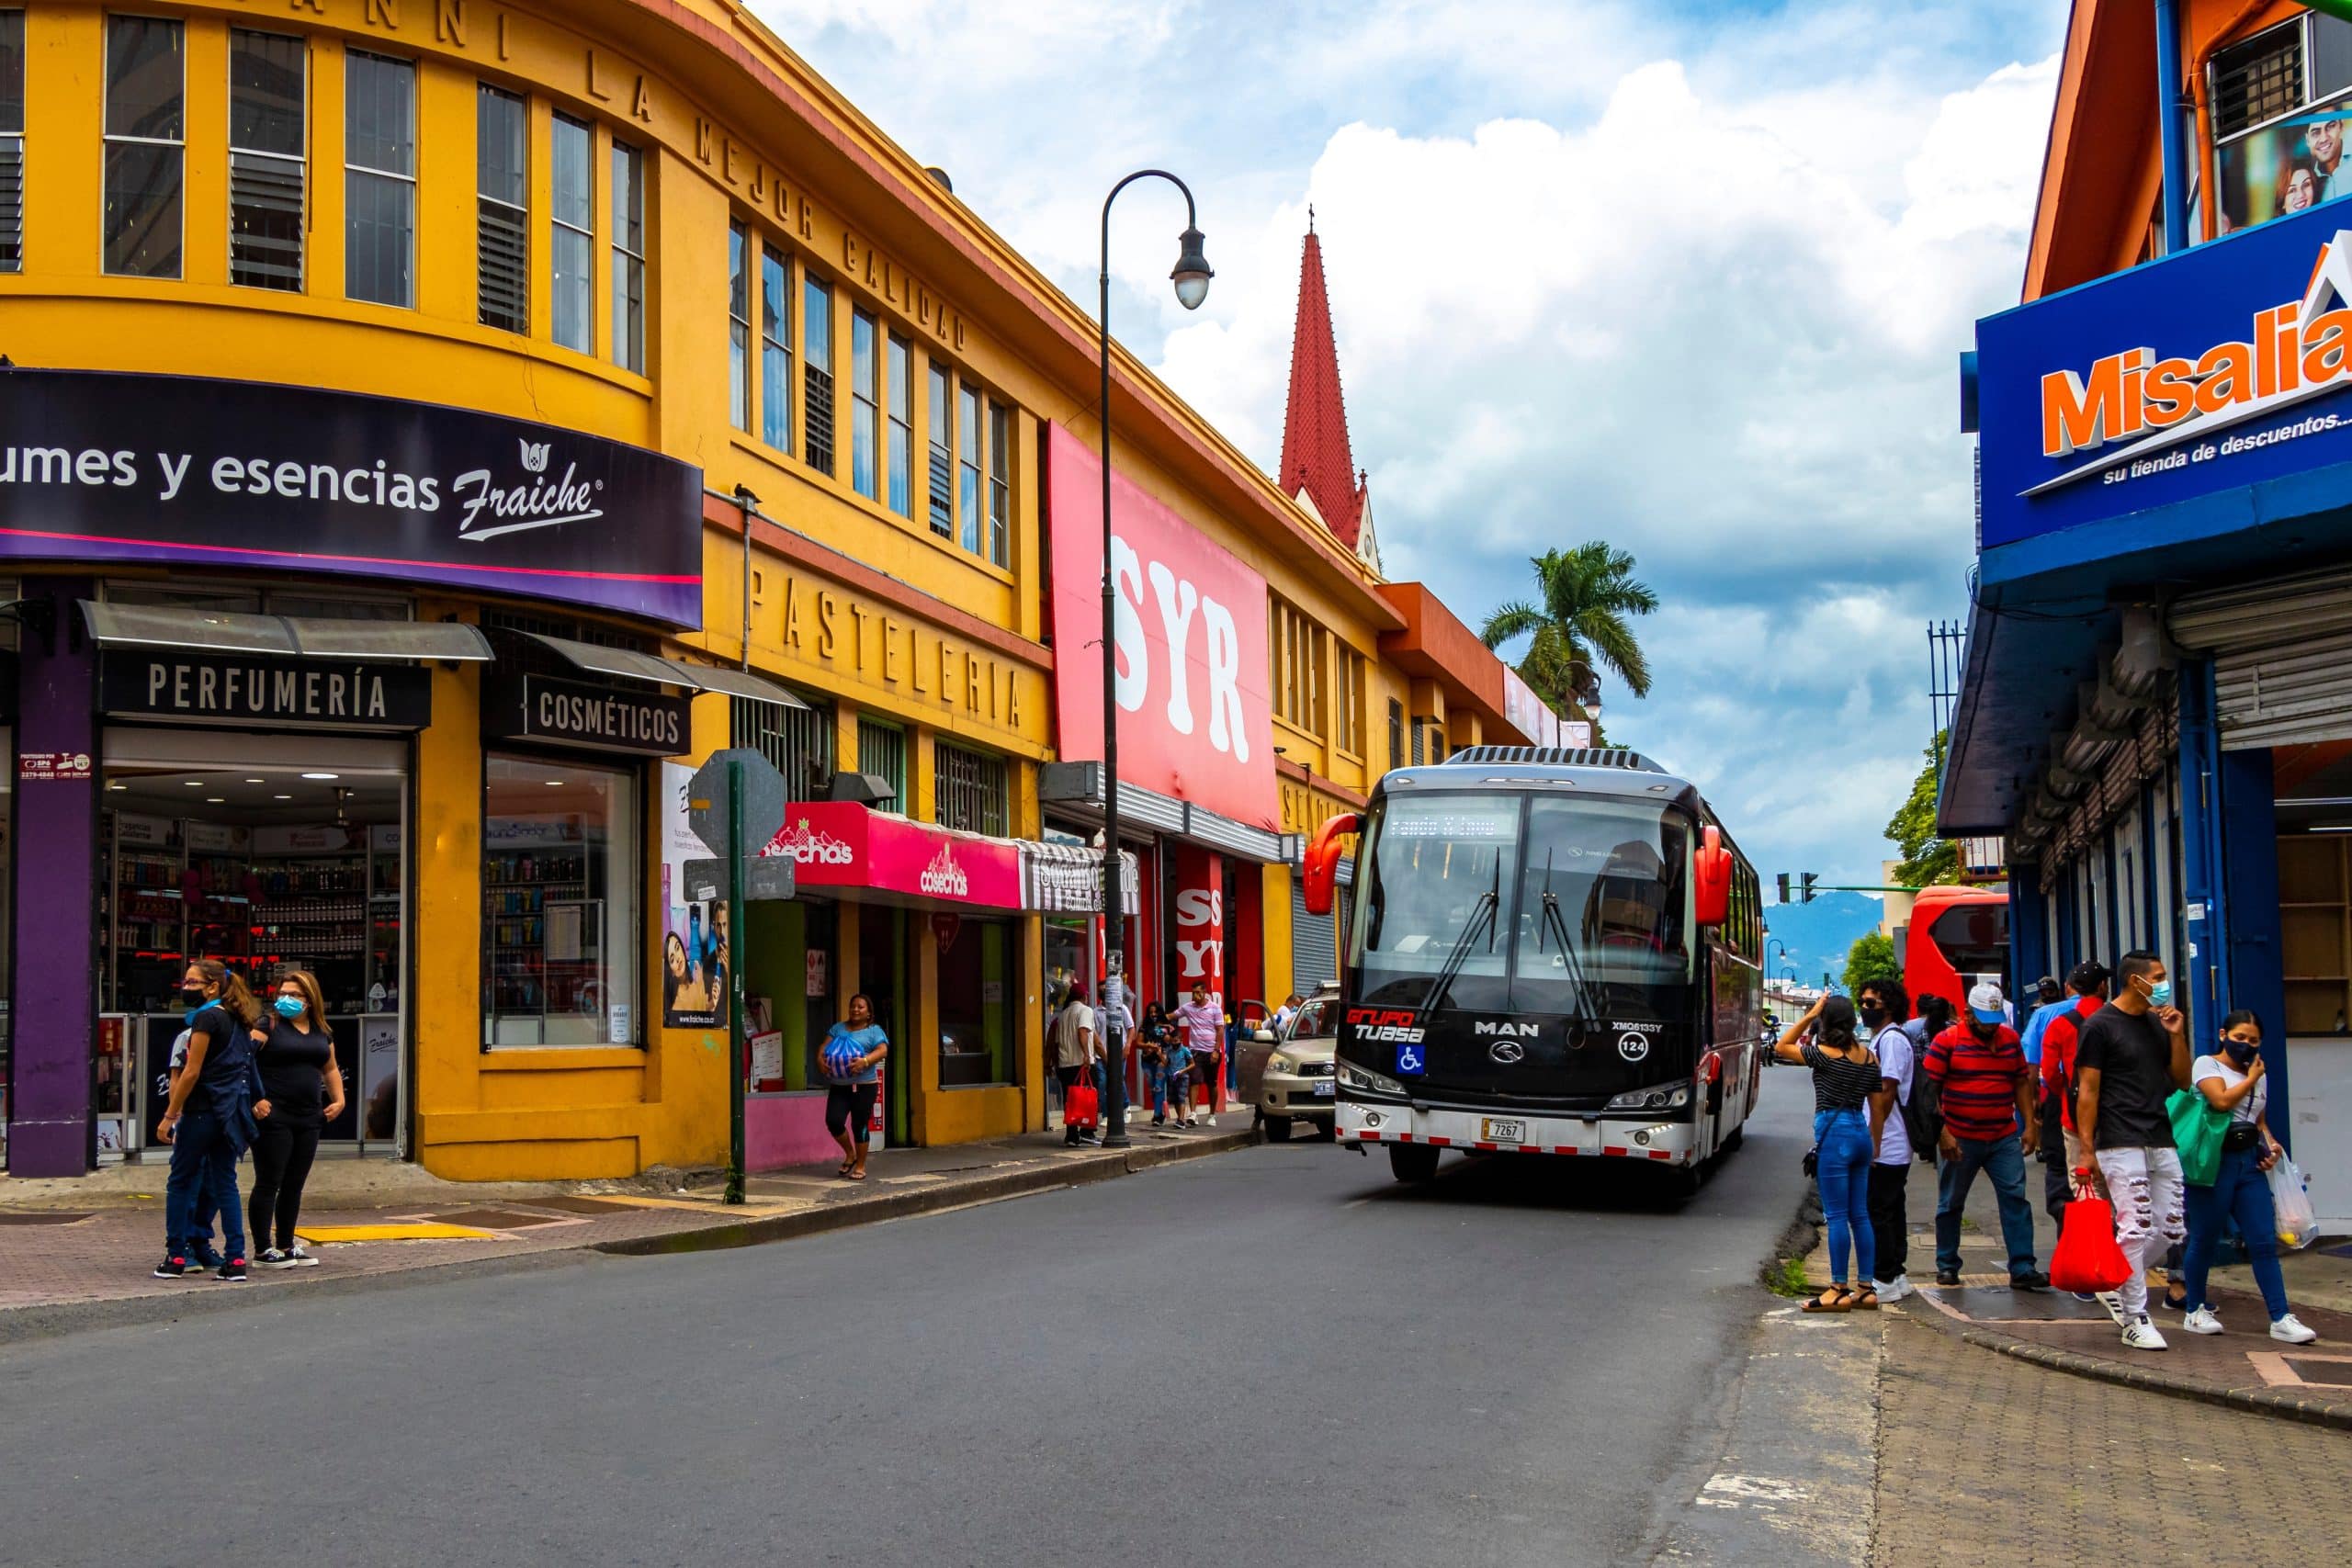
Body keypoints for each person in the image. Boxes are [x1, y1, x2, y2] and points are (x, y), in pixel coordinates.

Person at [2075, 950, 2192, 1350]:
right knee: (2135, 1225)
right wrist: (2087, 1150)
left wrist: (2176, 1035)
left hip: (2160, 1134)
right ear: (2133, 980)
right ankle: (2135, 1317)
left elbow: (2181, 1080)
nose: (2163, 983)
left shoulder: (2159, 1024)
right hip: (2119, 1138)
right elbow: (2087, 1090)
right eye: (2156, 976)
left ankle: (2116, 1278)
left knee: (2172, 1227)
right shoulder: (2099, 1026)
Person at [2177, 1011, 2320, 1344]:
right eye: (2240, 1037)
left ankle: (2281, 1317)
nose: (2246, 1045)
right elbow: (2222, 1101)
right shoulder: (2207, 1064)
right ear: (2224, 1034)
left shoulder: (2259, 1074)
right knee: (2204, 1238)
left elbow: (2258, 1120)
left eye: (2253, 1041)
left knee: (2262, 1242)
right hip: (2212, 1162)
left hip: (2248, 1165)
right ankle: (2194, 1310)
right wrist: (2251, 1078)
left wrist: (2270, 1146)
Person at [1926, 981, 2050, 1292]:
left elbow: (2021, 1082)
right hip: (1960, 1136)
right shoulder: (1947, 1041)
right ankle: (1947, 1265)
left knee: (2015, 1199)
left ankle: (2023, 1267)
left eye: (1995, 1022)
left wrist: (2030, 1125)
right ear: (1967, 1015)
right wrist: (1943, 1133)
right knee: (1951, 1203)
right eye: (1985, 1022)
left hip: (2002, 1134)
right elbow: (1929, 1090)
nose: (1991, 1029)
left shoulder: (2009, 1039)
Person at [154, 961, 269, 1282]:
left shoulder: (207, 1018)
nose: (186, 987)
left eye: (192, 982)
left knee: (180, 1182)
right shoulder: (239, 1019)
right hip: (230, 1113)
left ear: (213, 986)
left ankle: (176, 1255)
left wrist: (170, 1115)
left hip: (201, 1111)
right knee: (225, 1183)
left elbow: (191, 1071)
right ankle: (235, 1259)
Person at [1773, 996, 1880, 1312]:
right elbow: (1877, 1107)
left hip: (1834, 1134)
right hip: (1861, 1132)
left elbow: (1782, 1046)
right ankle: (1866, 1288)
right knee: (1860, 1214)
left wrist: (1810, 1015)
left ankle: (1837, 1289)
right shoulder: (1869, 1058)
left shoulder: (1822, 1055)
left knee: (1836, 1216)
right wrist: (1875, 1146)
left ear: (1827, 1021)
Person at [249, 969, 345, 1269]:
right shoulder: (269, 1024)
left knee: (294, 1183)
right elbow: (243, 1060)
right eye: (283, 994)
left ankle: (287, 1244)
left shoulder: (320, 1031)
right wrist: (255, 1098)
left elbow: (329, 1068)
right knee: (269, 1180)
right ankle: (263, 1249)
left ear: (309, 998)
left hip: (309, 1116)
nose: (287, 999)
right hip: (274, 1115)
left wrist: (339, 1099)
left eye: (295, 995)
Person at [2035, 961, 2109, 1226]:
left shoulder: (2059, 1025)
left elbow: (2049, 1072)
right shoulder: (2118, 1020)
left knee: (2085, 1188)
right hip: (2118, 1116)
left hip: (2075, 1118)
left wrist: (2065, 1093)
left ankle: (2095, 1250)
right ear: (2103, 986)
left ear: (2071, 988)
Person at [1860, 977, 1917, 1303]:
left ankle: (1883, 1277)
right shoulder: (1885, 1038)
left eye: (1871, 1003)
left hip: (1889, 1142)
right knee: (1892, 1209)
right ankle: (1897, 1274)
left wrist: (1874, 1142)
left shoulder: (1891, 1041)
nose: (1865, 1008)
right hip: (1892, 1142)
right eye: (1863, 1002)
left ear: (1890, 1006)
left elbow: (1886, 1092)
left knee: (1878, 1211)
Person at [820, 993, 888, 1179]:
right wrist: (821, 1061)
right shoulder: (838, 1029)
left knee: (859, 1125)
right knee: (833, 1121)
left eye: (860, 1007)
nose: (855, 1010)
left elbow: (883, 1050)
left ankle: (860, 1166)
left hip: (865, 1086)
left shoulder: (874, 1031)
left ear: (868, 1013)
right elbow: (823, 1049)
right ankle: (850, 1153)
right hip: (839, 1086)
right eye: (853, 1006)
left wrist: (865, 1061)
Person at [1050, 985, 1099, 1146]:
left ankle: (1072, 1135)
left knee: (1069, 1100)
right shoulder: (1085, 1010)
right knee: (1088, 1097)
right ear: (1084, 996)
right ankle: (1087, 1131)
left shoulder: (1062, 1015)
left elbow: (1056, 1043)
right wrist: (1086, 1054)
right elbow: (1082, 1031)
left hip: (1065, 1064)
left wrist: (1054, 1064)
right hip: (1080, 1063)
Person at [1173, 983, 1224, 1120]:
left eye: (1198, 992)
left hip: (1211, 1051)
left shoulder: (1215, 1009)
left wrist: (1216, 1050)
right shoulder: (1188, 1007)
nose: (1195, 995)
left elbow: (1220, 1030)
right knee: (1194, 1080)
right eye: (1193, 992)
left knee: (1211, 1083)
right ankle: (1193, 1113)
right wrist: (1157, 1018)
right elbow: (1173, 1015)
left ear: (1204, 992)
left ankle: (1212, 1114)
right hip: (1195, 1051)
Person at [1138, 1001, 1175, 1126]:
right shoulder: (1144, 1026)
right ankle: (1160, 1111)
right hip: (1147, 1060)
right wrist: (1147, 1045)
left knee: (1159, 1086)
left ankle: (1157, 1115)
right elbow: (1138, 1043)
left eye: (1156, 1012)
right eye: (1151, 1012)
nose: (1153, 1015)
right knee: (1152, 1088)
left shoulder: (1168, 1027)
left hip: (1162, 1060)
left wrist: (1168, 1039)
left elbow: (1176, 1041)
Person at [2018, 976, 2065, 1067]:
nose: (2047, 996)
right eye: (2043, 994)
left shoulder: (2065, 1008)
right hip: (2045, 1061)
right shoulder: (2038, 1011)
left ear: (2057, 992)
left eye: (2050, 992)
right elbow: (2030, 1042)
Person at [2310, 118, 2348, 201]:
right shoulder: (2310, 182)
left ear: (2341, 126)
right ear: (2307, 140)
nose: (2324, 139)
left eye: (2331, 126)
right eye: (2316, 132)